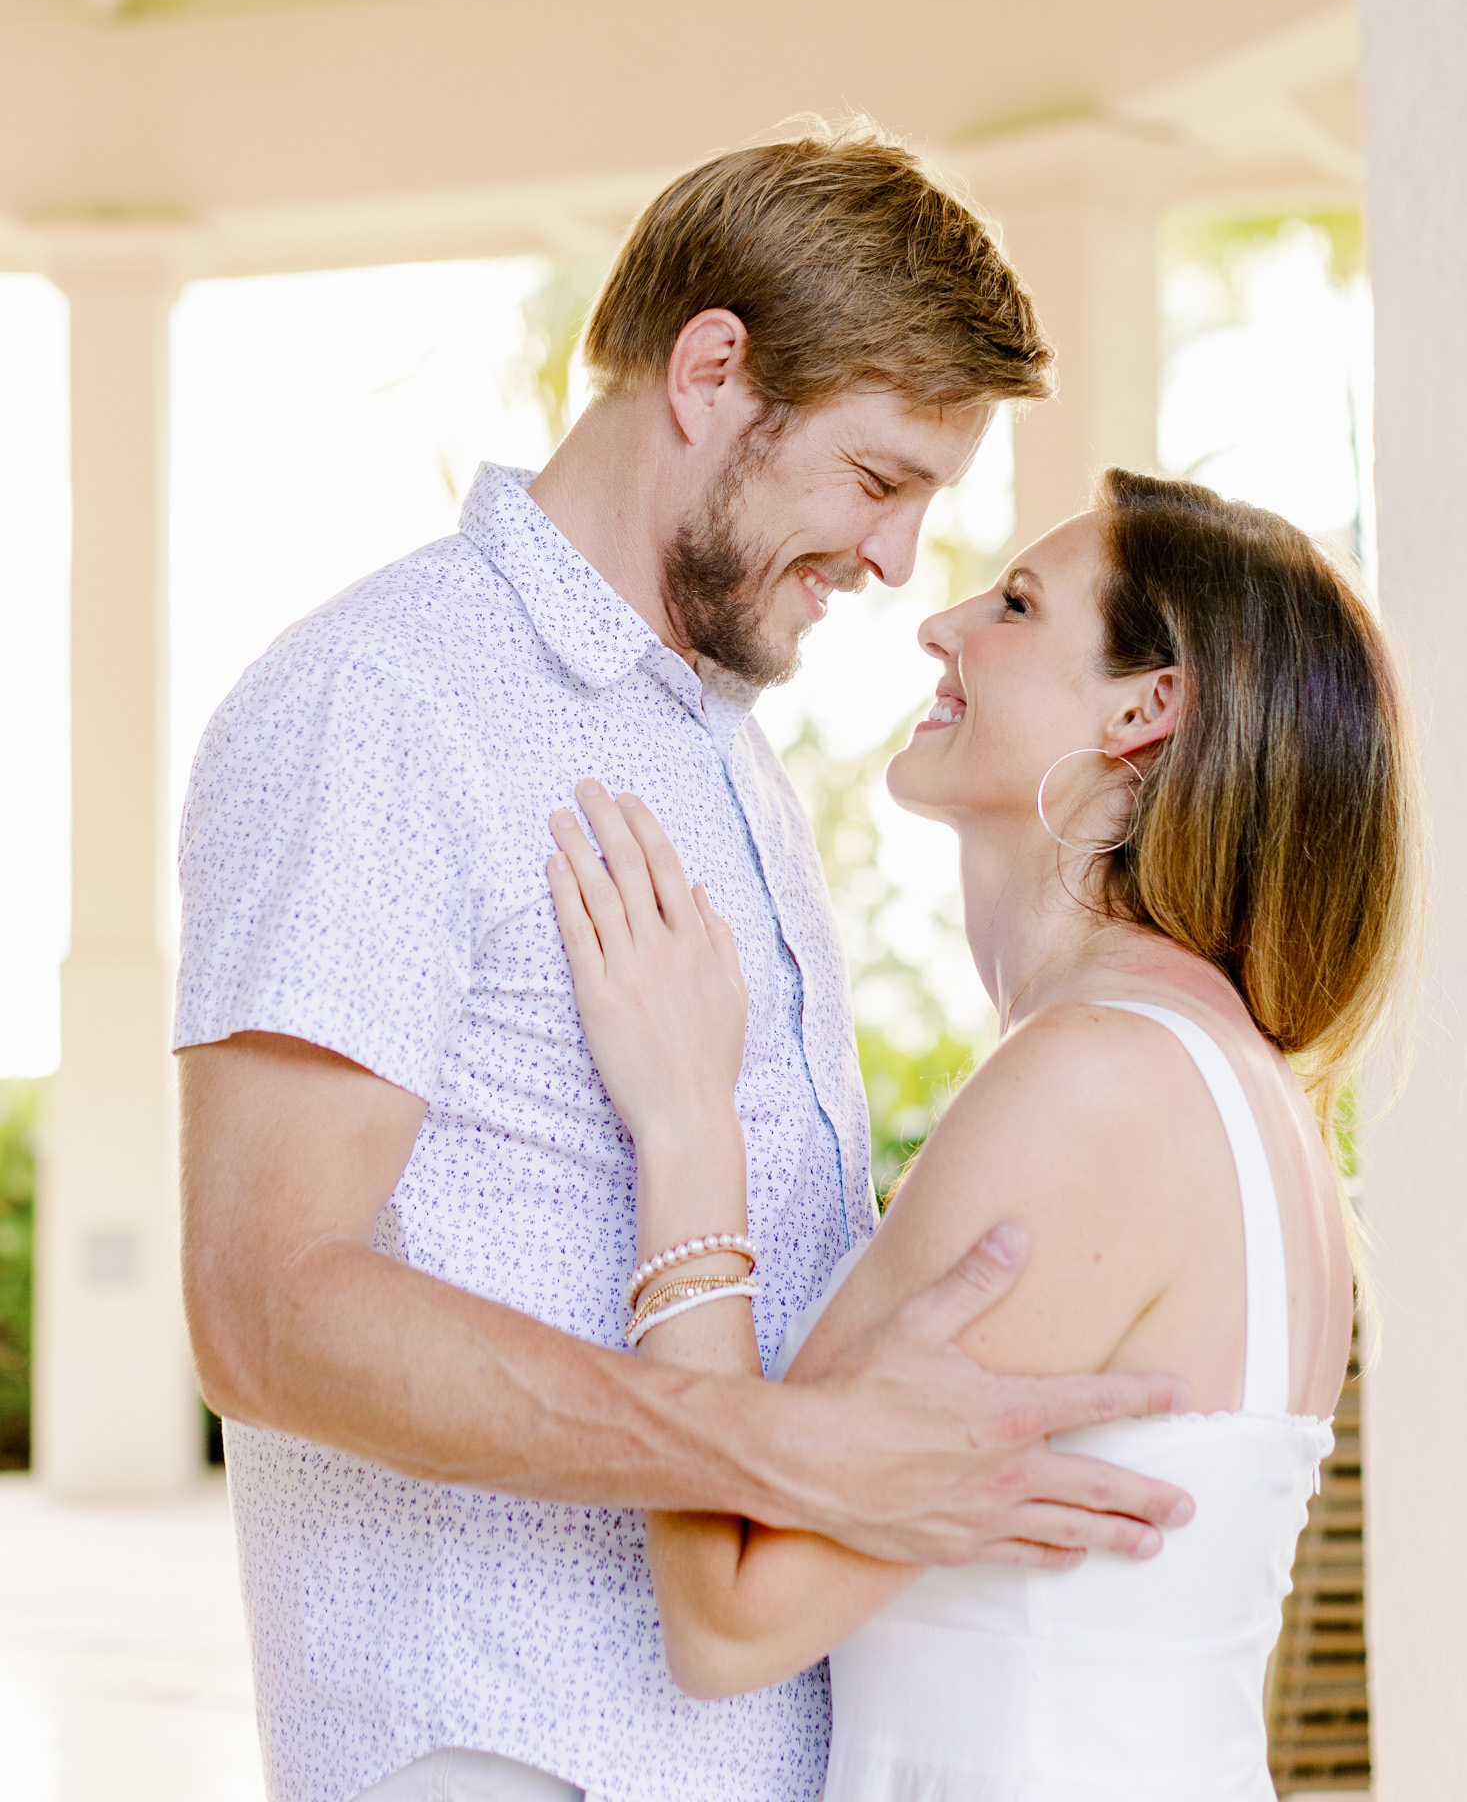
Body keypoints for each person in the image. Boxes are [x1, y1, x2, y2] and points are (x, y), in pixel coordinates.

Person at [175, 124, 1195, 1802]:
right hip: (502, 1753)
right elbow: (262, 1306)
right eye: (878, 482)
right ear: (713, 371)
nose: (892, 562)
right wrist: (793, 1453)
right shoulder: (382, 703)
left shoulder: (718, 741)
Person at [547, 467, 1421, 1802]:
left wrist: (683, 1131)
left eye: (1015, 603)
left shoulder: (1101, 1087)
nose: (939, 624)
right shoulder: (1218, 1084)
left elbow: (732, 1613)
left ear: (1146, 708)